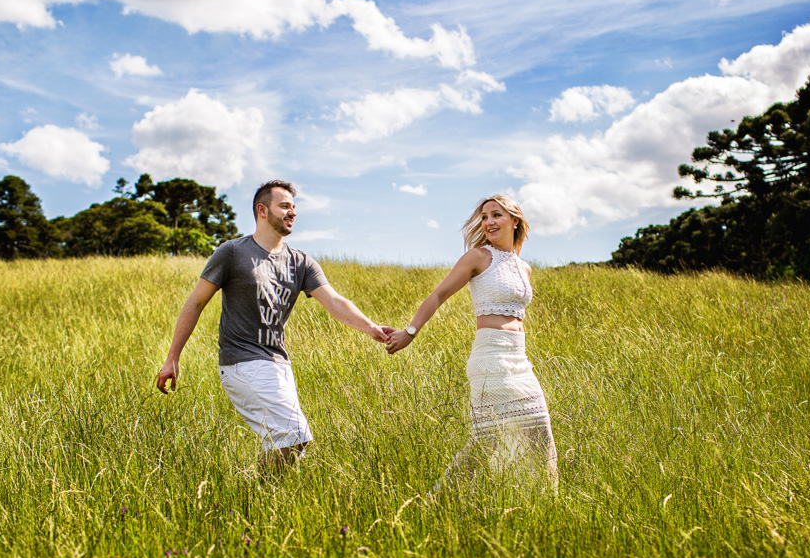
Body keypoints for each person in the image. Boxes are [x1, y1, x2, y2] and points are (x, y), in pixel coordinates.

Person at [157, 179, 390, 471]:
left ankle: (253, 499)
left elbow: (334, 301)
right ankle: (252, 495)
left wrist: (372, 328)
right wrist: (172, 358)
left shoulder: (301, 262)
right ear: (262, 210)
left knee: (290, 449)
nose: (292, 212)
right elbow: (195, 303)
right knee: (293, 436)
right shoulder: (232, 252)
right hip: (242, 361)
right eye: (284, 206)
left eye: (294, 207)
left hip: (279, 364)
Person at [386, 194, 557, 493]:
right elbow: (437, 295)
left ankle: (545, 500)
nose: (489, 222)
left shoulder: (524, 267)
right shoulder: (478, 257)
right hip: (491, 356)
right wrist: (409, 332)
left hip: (519, 356)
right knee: (489, 438)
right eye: (484, 217)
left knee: (534, 430)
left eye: (496, 215)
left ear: (514, 221)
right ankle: (435, 501)